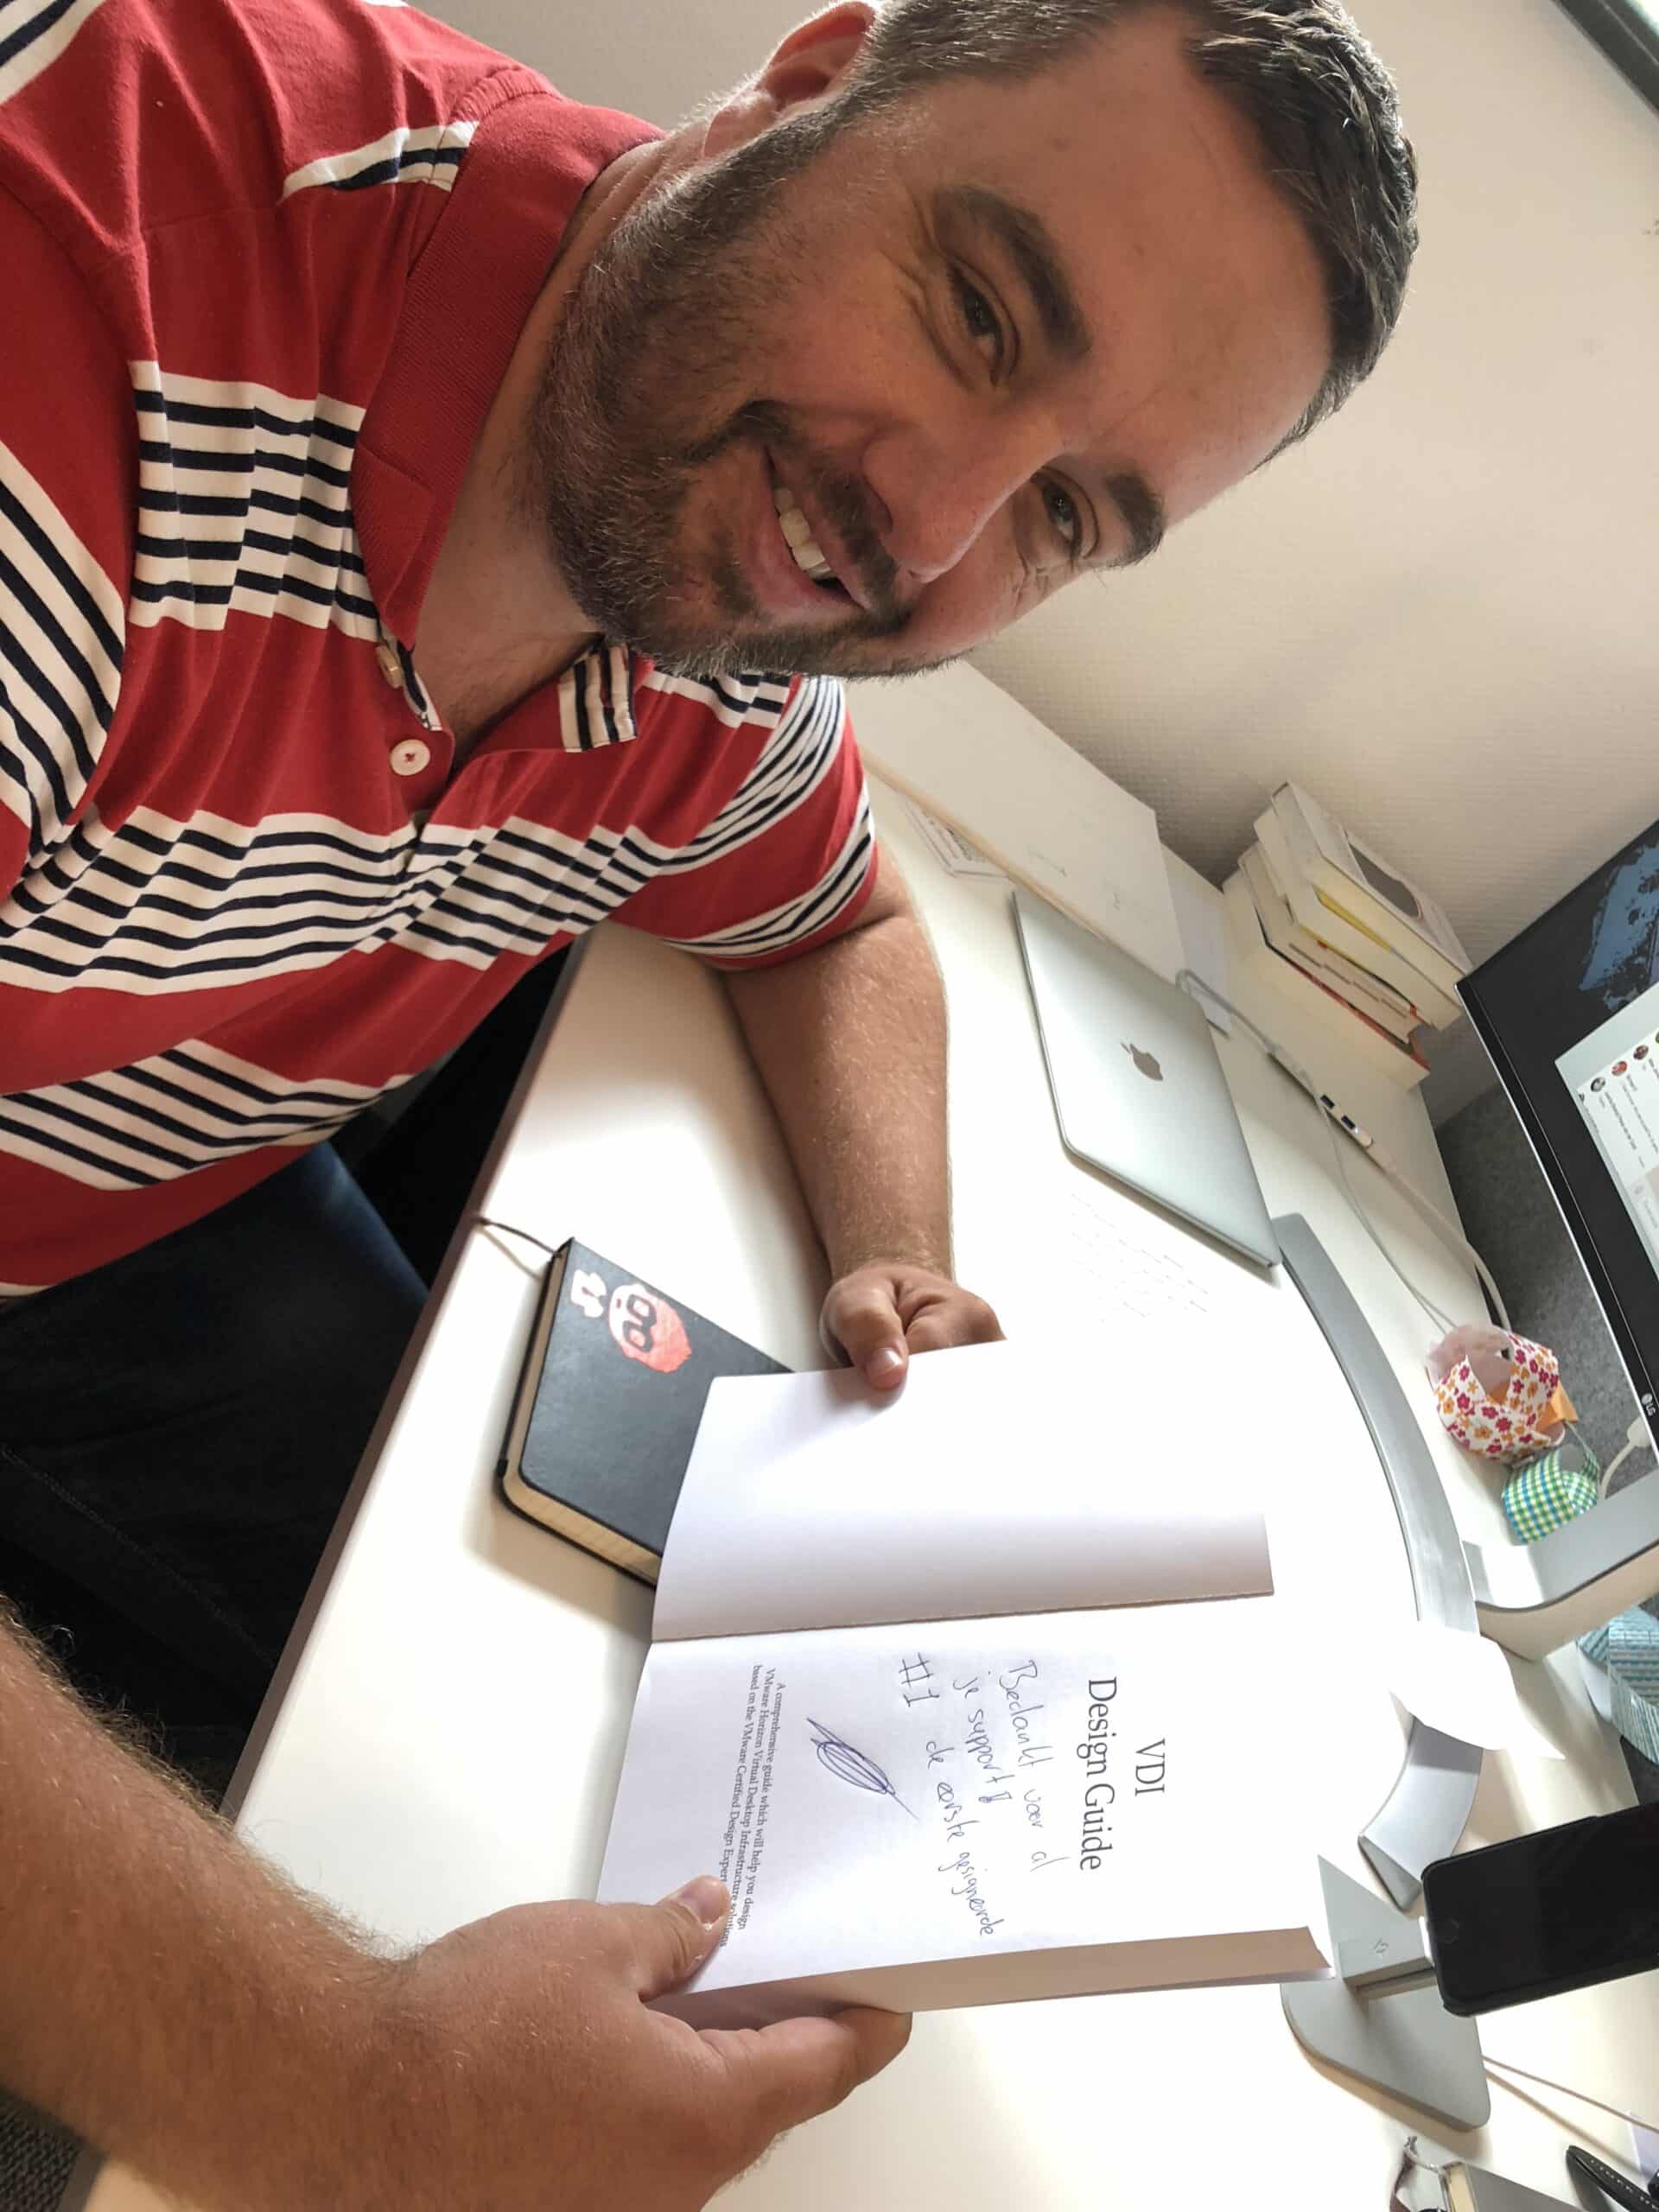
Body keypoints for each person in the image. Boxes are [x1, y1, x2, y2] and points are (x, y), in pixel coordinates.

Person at [0, 0, 1416, 2200]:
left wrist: (899, 1255)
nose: (924, 529)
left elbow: (843, 923)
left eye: (1063, 512)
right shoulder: (92, 313)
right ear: (815, 77)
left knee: (493, 1712)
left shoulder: (691, 570)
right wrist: (367, 2094)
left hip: (151, 1188)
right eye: (977, 309)